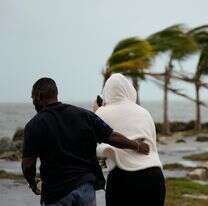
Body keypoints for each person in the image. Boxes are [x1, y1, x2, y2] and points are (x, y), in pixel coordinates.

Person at [21, 77, 150, 206]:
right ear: (56, 94)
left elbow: (28, 164)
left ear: (38, 97)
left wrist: (33, 183)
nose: (33, 102)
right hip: (85, 188)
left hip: (56, 192)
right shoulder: (84, 115)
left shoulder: (34, 125)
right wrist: (137, 145)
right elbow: (111, 137)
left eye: (33, 98)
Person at [95, 73, 165, 206]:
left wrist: (97, 111)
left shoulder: (101, 113)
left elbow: (94, 142)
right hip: (154, 175)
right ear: (129, 90)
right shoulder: (144, 112)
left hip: (122, 178)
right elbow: (152, 146)